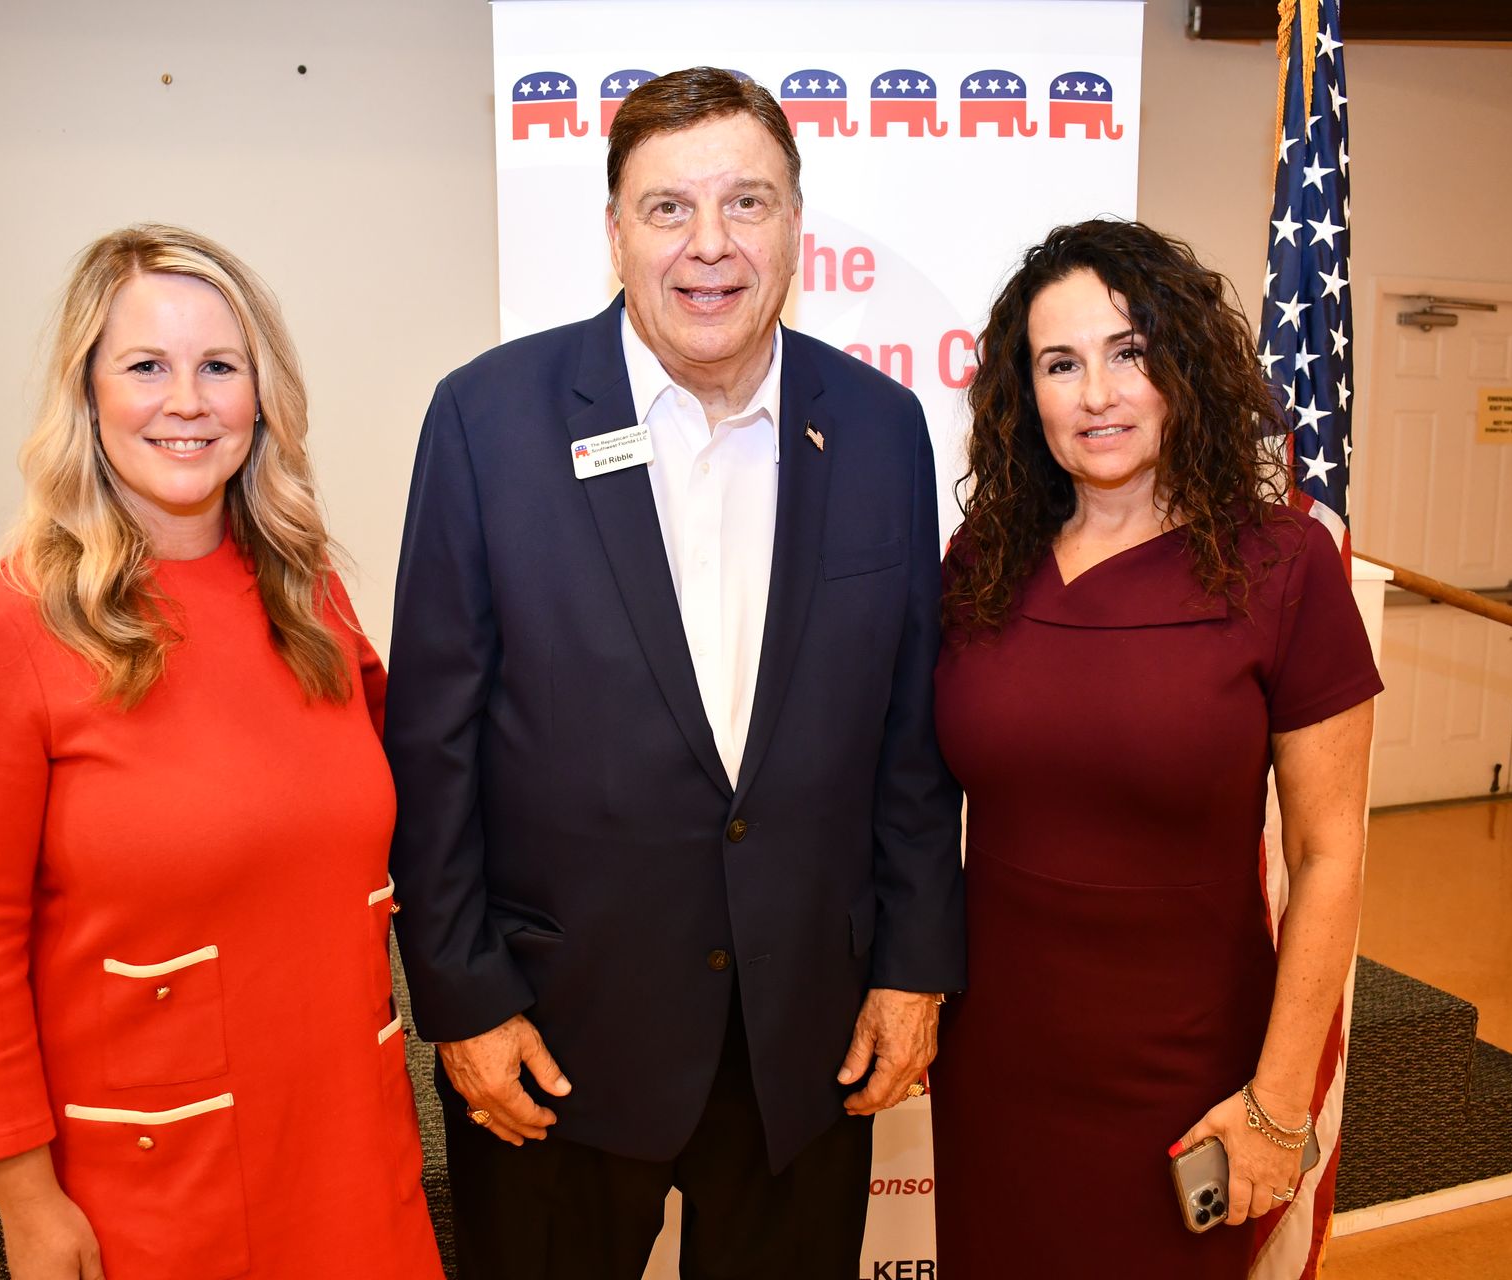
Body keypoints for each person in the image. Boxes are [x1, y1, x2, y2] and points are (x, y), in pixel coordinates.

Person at [384, 67, 965, 1280]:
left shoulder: (880, 427)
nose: (711, 244)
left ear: (795, 224)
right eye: (668, 208)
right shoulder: (488, 421)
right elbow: (432, 746)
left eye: (747, 202)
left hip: (805, 1044)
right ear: (614, 232)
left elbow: (909, 739)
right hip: (556, 1040)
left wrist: (913, 965)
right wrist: (465, 999)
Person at [0, 225, 443, 1280]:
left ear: (263, 396)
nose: (188, 401)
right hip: (156, 1186)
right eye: (147, 366)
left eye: (220, 367)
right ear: (88, 393)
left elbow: (416, 808)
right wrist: (25, 1201)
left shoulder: (311, 598)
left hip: (351, 1145)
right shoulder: (0, 629)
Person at [929, 219, 1381, 1278]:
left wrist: (1277, 1102)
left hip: (1188, 1074)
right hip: (996, 1059)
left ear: (1183, 367)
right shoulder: (981, 562)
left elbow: (1327, 855)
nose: (1097, 394)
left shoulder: (1284, 567)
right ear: (1024, 392)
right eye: (1060, 364)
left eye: (1128, 353)